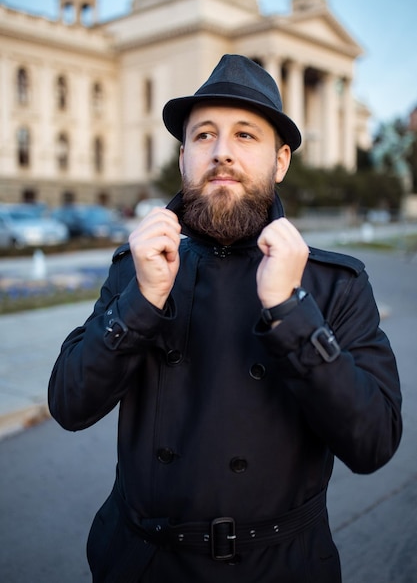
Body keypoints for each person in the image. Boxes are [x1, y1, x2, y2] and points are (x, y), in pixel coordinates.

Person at [48, 54, 402, 583]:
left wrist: (290, 310)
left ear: (280, 161)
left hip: (278, 568)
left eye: (245, 136)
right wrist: (142, 300)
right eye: (204, 136)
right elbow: (69, 404)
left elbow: (374, 441)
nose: (222, 153)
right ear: (183, 158)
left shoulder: (334, 284)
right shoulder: (138, 269)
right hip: (141, 563)